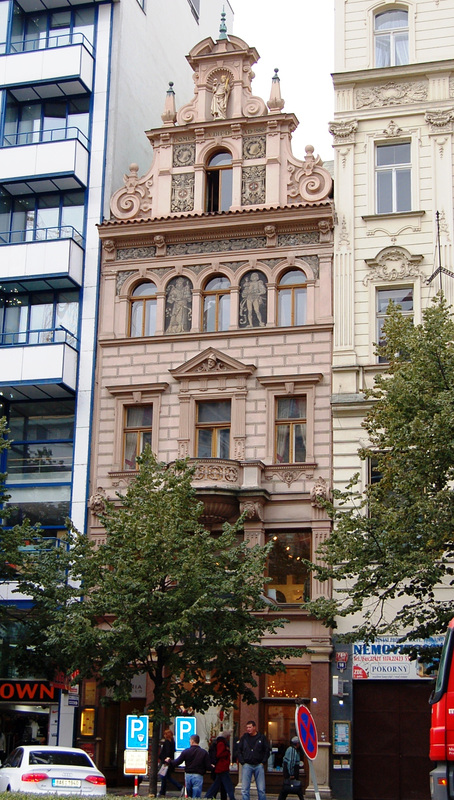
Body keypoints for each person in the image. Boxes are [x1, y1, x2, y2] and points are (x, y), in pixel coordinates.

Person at [166, 733, 211, 799]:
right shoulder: (204, 752)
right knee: (196, 796)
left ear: (192, 741)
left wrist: (169, 761)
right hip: (198, 775)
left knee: (189, 795)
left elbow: (177, 762)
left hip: (188, 775)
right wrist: (213, 767)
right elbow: (208, 766)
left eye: (190, 740)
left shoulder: (186, 752)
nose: (189, 742)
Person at [237, 720, 270, 800]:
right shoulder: (244, 738)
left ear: (254, 727)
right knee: (245, 789)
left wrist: (263, 762)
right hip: (247, 764)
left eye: (250, 727)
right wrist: (242, 762)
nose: (248, 729)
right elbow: (238, 750)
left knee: (261, 789)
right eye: (247, 727)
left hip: (259, 765)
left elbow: (267, 750)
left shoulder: (261, 738)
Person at [205, 731, 235, 800]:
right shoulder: (221, 743)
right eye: (229, 736)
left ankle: (208, 796)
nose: (230, 737)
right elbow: (219, 754)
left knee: (217, 784)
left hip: (220, 767)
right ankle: (232, 797)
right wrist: (227, 752)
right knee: (228, 785)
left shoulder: (220, 742)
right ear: (227, 737)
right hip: (222, 767)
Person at [158, 730, 183, 797]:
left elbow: (166, 752)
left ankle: (179, 787)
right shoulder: (172, 742)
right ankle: (162, 792)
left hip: (166, 763)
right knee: (166, 777)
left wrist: (164, 759)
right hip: (170, 762)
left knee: (165, 777)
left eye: (165, 734)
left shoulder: (167, 742)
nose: (164, 735)